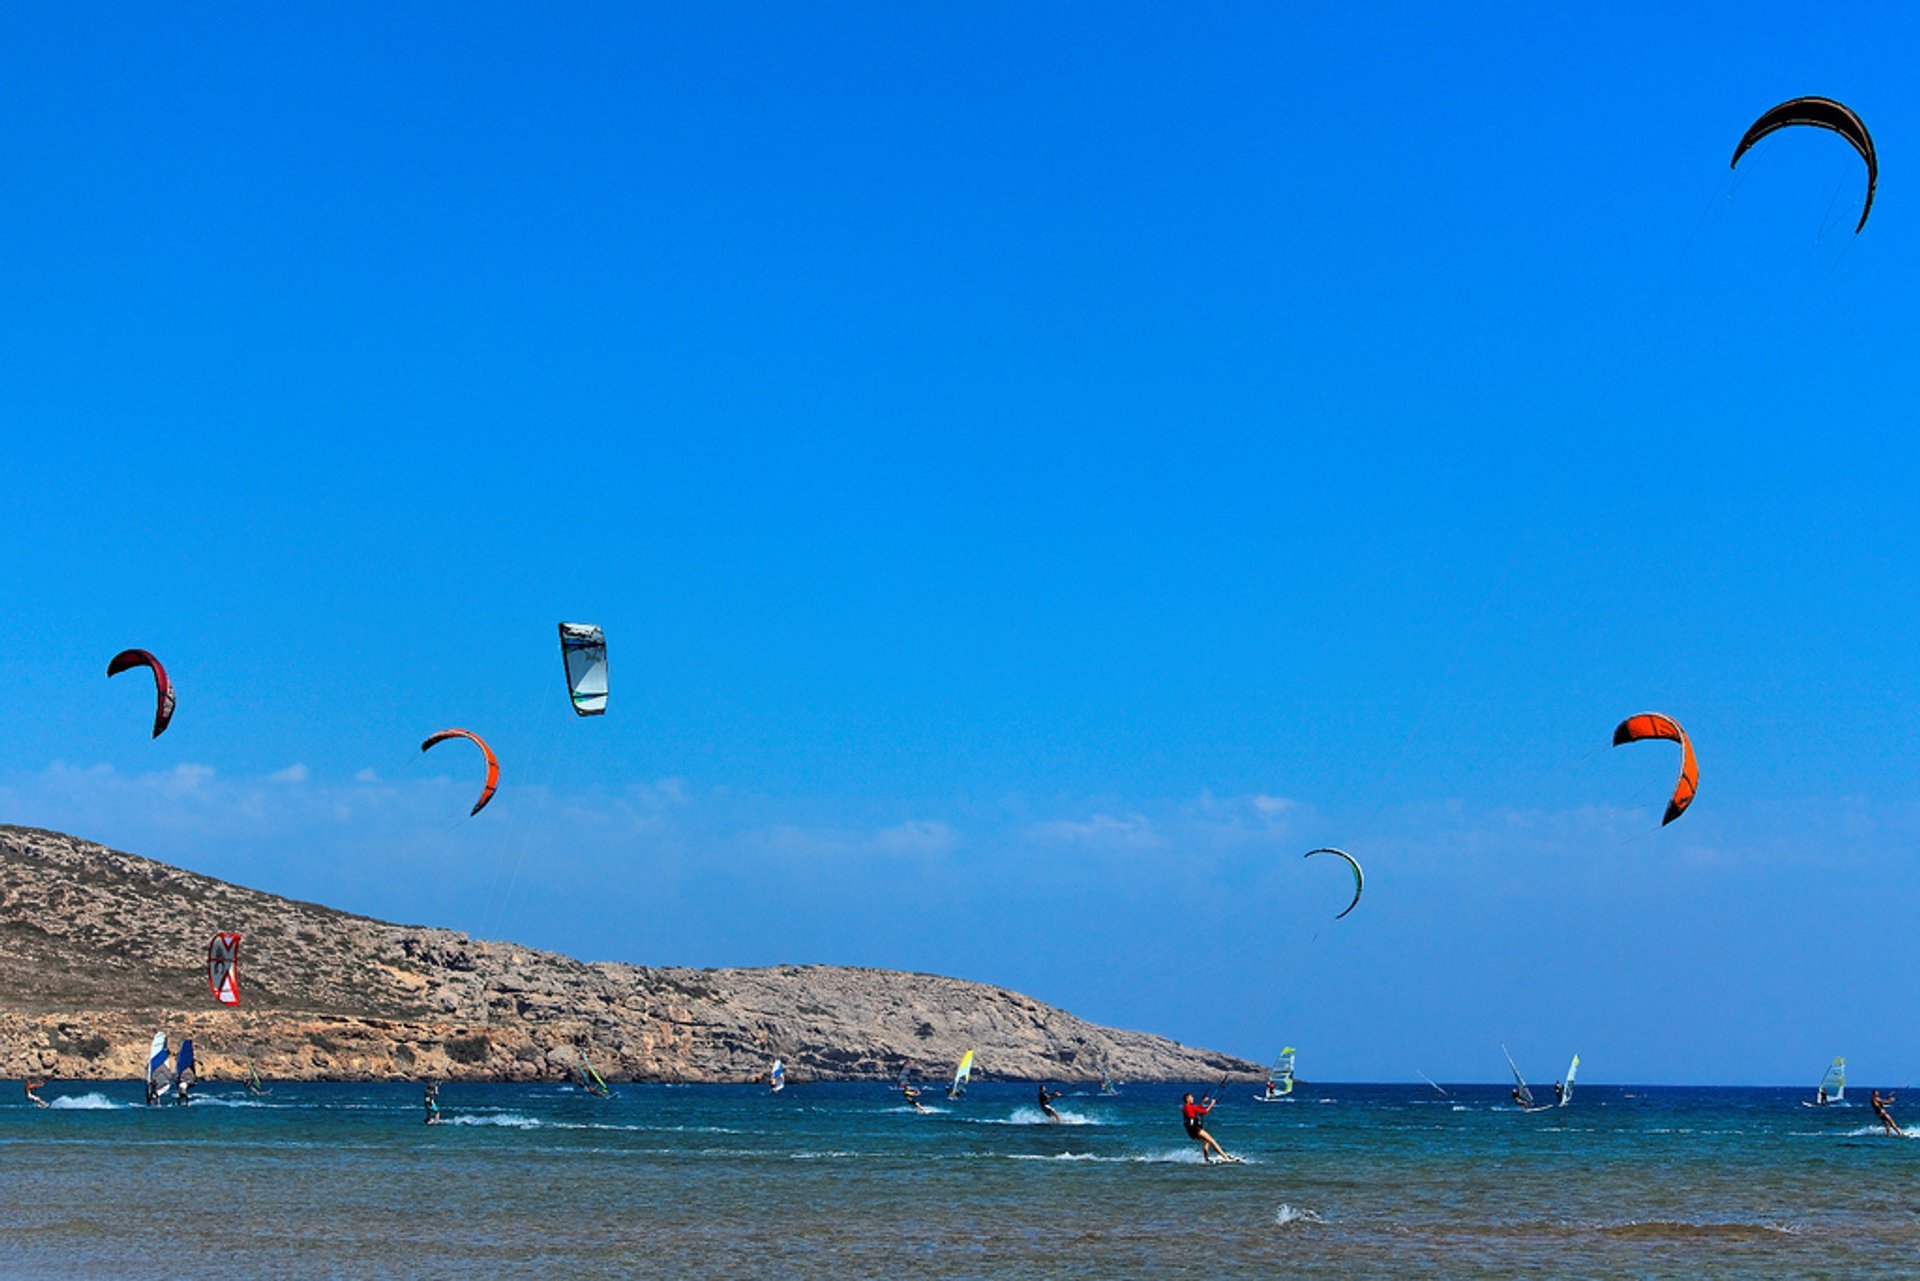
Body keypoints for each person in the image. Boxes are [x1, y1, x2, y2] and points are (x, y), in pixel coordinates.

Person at [1181, 1091, 1234, 1164]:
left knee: (1206, 1142)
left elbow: (1196, 1109)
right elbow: (1204, 1111)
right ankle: (1225, 1157)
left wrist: (1203, 1102)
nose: (1193, 1098)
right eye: (1191, 1097)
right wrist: (1211, 1104)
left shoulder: (1185, 1107)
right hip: (1196, 1129)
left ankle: (1206, 1159)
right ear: (1187, 1099)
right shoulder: (1190, 1107)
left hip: (1190, 1131)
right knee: (1212, 1141)